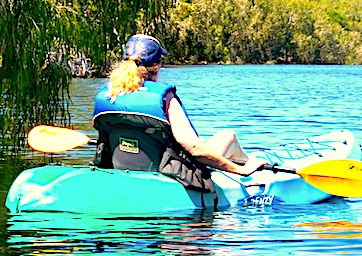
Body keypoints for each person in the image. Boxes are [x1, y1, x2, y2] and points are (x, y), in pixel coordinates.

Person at [92, 34, 263, 191]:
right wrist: (241, 169)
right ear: (157, 66)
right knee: (228, 136)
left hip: (121, 170)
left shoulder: (106, 96)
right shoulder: (165, 98)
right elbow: (195, 149)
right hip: (171, 174)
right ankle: (248, 181)